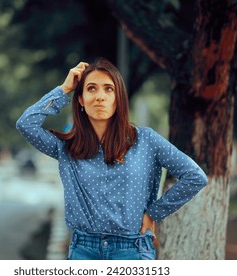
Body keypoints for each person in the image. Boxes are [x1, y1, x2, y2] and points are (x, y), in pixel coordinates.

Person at [16, 58, 208, 260]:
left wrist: (154, 213)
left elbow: (195, 176)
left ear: (119, 98)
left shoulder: (146, 140)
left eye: (109, 89)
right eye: (91, 89)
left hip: (132, 251)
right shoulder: (67, 147)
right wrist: (64, 89)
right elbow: (26, 124)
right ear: (80, 99)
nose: (100, 96)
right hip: (83, 252)